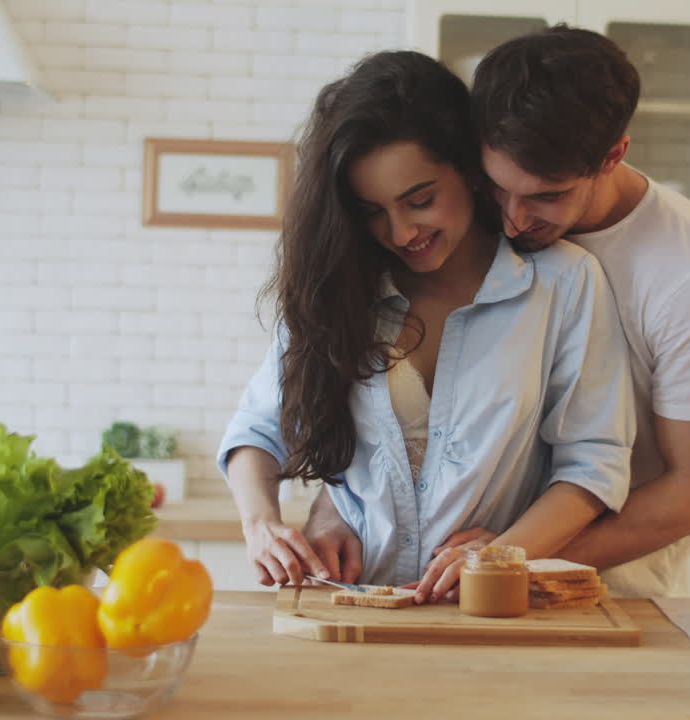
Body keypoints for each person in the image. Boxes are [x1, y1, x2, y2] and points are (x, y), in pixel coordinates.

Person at [305, 26, 690, 599]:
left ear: (614, 155)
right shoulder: (462, 224)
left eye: (546, 196)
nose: (515, 221)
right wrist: (335, 509)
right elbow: (400, 413)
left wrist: (512, 556)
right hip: (450, 589)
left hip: (607, 595)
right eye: (498, 189)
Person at [217, 50, 635, 602]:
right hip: (351, 603)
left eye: (421, 200)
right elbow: (258, 430)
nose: (400, 231)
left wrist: (506, 553)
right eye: (372, 211)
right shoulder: (340, 289)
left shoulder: (563, 285)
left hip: (493, 610)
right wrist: (260, 524)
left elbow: (594, 464)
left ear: (469, 170)